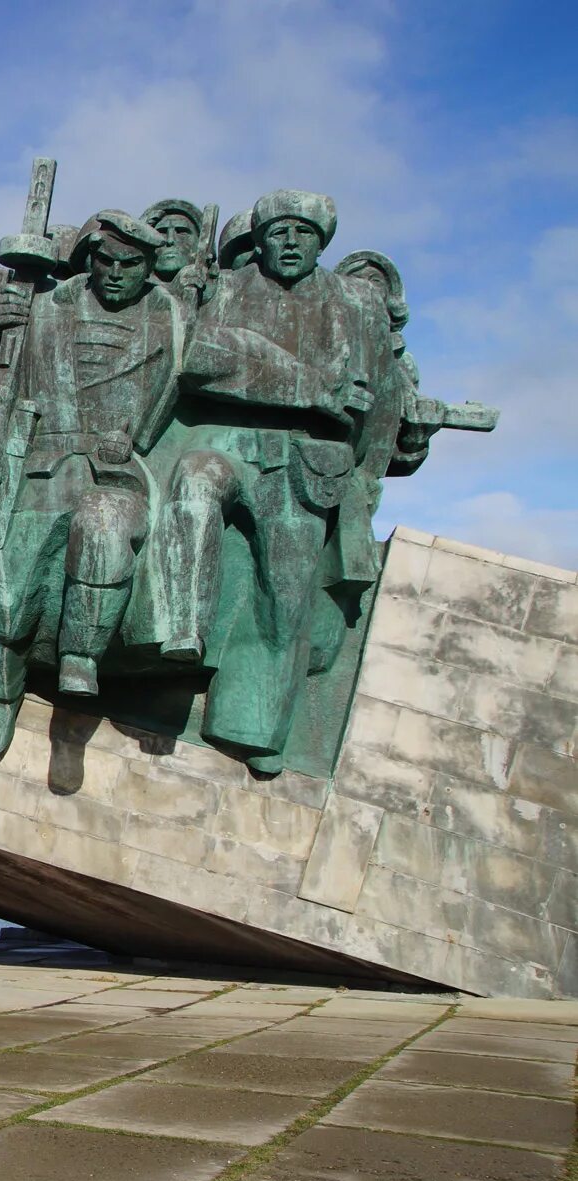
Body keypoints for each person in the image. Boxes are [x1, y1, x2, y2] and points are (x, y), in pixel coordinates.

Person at [149, 188, 400, 765]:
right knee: (194, 485)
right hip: (222, 440)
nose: (290, 243)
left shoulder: (353, 306)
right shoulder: (226, 289)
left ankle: (252, 724)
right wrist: (310, 389)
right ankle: (180, 628)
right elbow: (198, 363)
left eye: (303, 233)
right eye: (278, 232)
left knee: (286, 593)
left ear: (322, 242)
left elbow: (380, 400)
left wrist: (370, 475)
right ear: (259, 240)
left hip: (303, 462)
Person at [0, 210, 185, 752]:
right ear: (89, 259)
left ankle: (80, 655)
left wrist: (132, 435)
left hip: (117, 471)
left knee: (104, 529)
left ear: (148, 267)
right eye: (106, 261)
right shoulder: (49, 303)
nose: (116, 273)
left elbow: (177, 382)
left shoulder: (165, 316)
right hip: (43, 462)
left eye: (131, 265)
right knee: (9, 599)